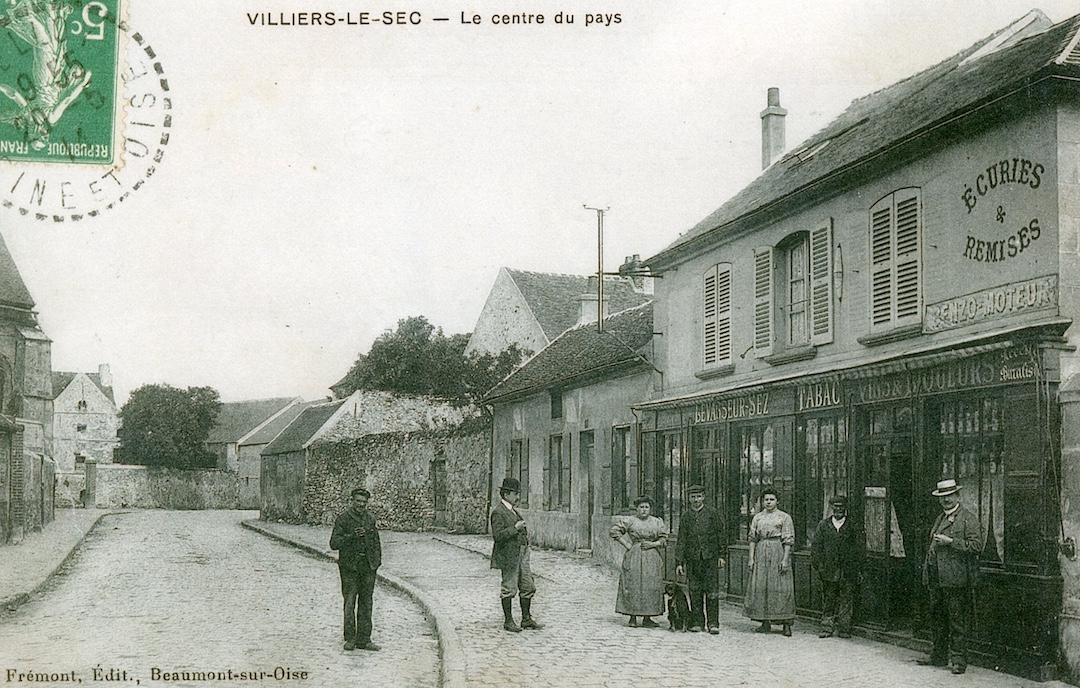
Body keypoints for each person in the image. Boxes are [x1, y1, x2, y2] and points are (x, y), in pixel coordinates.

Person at [919, 479, 982, 675]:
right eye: (942, 497)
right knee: (938, 618)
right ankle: (938, 656)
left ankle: (958, 661)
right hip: (937, 578)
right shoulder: (940, 518)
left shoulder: (967, 518)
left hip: (956, 579)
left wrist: (951, 541)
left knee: (957, 621)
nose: (946, 500)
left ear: (957, 496)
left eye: (949, 496)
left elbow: (976, 546)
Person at [329, 487, 382, 651]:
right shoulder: (343, 519)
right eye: (358, 501)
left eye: (364, 502)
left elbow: (376, 541)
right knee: (350, 601)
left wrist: (376, 562)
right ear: (352, 501)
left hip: (367, 567)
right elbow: (334, 543)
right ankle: (350, 638)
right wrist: (351, 536)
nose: (361, 505)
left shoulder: (370, 518)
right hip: (349, 567)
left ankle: (364, 639)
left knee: (366, 602)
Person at [490, 477, 543, 632]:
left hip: (522, 553)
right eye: (515, 494)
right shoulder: (498, 512)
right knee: (509, 588)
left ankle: (526, 619)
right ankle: (508, 621)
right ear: (506, 494)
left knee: (528, 586)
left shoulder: (513, 510)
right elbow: (498, 536)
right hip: (508, 555)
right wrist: (515, 528)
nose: (518, 497)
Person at [674, 484, 726, 634]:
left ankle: (713, 623)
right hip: (693, 559)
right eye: (693, 497)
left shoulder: (712, 514)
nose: (696, 500)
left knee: (712, 591)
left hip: (710, 558)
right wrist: (679, 562)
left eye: (698, 496)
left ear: (703, 497)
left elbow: (721, 535)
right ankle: (697, 622)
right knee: (695, 591)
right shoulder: (686, 517)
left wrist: (722, 555)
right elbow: (681, 540)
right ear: (689, 498)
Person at [611, 495, 668, 627]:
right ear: (636, 509)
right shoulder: (630, 520)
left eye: (646, 507)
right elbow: (614, 531)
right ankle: (632, 616)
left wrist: (653, 544)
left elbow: (664, 538)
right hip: (634, 555)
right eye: (641, 507)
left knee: (651, 585)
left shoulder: (657, 522)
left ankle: (648, 617)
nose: (644, 510)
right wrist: (627, 545)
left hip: (652, 556)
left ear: (650, 509)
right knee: (633, 584)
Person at [810, 495, 863, 638]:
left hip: (848, 570)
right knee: (829, 598)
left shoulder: (852, 525)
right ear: (832, 508)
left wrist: (857, 568)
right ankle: (827, 628)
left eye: (841, 507)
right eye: (836, 506)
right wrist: (819, 566)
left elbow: (859, 548)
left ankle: (844, 628)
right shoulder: (823, 525)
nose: (838, 509)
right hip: (829, 569)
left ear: (845, 508)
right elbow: (816, 547)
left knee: (847, 598)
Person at [745, 487, 795, 636]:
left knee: (781, 587)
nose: (768, 502)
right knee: (762, 586)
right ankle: (765, 622)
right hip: (761, 551)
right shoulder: (758, 517)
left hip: (777, 550)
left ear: (777, 501)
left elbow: (788, 540)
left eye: (771, 499)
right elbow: (753, 538)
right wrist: (751, 558)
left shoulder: (784, 517)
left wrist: (785, 559)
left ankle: (786, 623)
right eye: (766, 499)